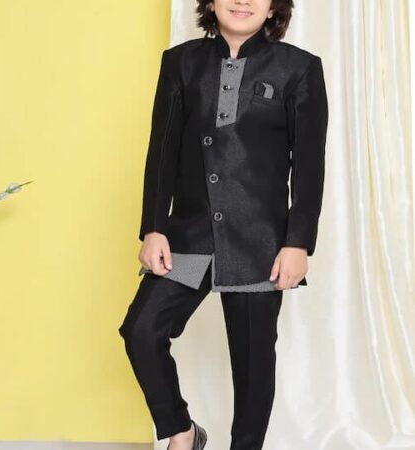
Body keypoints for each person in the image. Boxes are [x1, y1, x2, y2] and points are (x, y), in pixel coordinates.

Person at [119, 0, 329, 449]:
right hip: (189, 234)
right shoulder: (180, 63)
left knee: (252, 365)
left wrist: (298, 243)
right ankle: (182, 432)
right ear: (210, 3)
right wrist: (153, 227)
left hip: (261, 242)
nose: (242, 1)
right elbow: (162, 152)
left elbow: (309, 167)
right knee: (141, 329)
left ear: (273, 7)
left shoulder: (299, 68)